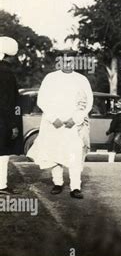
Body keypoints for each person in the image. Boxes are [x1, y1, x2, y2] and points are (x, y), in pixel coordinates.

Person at [27, 52, 93, 199]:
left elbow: (87, 102)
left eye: (71, 61)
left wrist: (75, 119)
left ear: (75, 62)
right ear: (59, 63)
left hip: (73, 125)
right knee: (55, 153)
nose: (68, 64)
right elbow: (42, 100)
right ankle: (57, 183)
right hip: (53, 124)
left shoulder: (81, 79)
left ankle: (75, 187)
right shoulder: (50, 78)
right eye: (65, 62)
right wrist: (53, 118)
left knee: (74, 154)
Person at [0, 36, 21, 195]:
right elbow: (7, 102)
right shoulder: (6, 73)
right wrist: (13, 125)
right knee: (3, 153)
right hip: (2, 120)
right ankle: (1, 185)